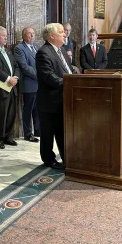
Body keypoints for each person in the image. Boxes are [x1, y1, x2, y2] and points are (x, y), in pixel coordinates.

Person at [36, 23, 74, 170]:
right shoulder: (43, 52)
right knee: (48, 133)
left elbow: (69, 70)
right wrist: (69, 82)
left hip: (63, 99)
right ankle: (48, 160)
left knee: (62, 131)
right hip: (49, 101)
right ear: (51, 35)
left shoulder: (62, 50)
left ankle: (67, 158)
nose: (64, 34)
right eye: (61, 32)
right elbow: (48, 76)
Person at [14, 27, 40, 143]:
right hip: (29, 83)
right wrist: (39, 75)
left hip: (38, 84)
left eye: (33, 34)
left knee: (37, 109)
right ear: (24, 36)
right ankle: (28, 133)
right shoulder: (19, 48)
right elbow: (24, 67)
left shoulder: (36, 47)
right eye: (29, 34)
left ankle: (38, 131)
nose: (32, 36)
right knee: (28, 109)